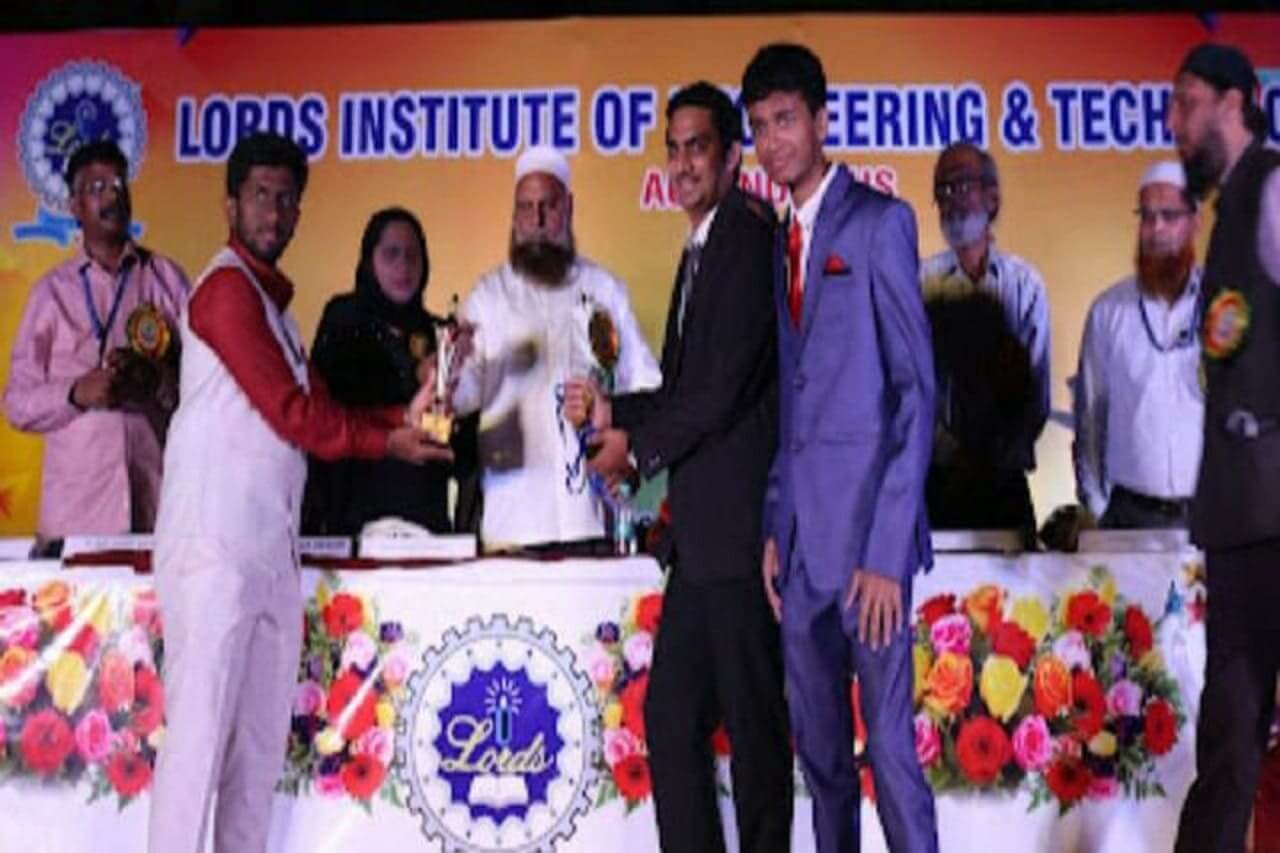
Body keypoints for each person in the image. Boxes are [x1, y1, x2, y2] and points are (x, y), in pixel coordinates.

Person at [148, 132, 448, 853]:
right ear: (231, 205)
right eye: (261, 196)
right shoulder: (226, 290)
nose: (275, 213)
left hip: (267, 550)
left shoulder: (277, 311)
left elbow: (325, 405)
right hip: (214, 548)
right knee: (196, 751)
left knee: (255, 758)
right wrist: (389, 440)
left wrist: (406, 417)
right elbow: (294, 414)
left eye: (287, 199)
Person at [572, 82, 793, 852]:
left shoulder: (745, 237)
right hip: (702, 543)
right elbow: (684, 390)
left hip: (740, 535)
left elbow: (722, 389)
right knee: (670, 716)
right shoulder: (703, 245)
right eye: (673, 148)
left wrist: (636, 448)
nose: (682, 163)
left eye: (698, 146)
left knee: (756, 735)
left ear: (733, 158)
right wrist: (614, 411)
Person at [744, 43, 938, 853]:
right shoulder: (780, 239)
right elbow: (794, 403)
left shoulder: (879, 222)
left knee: (889, 754)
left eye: (786, 119)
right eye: (760, 126)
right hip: (801, 552)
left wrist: (888, 553)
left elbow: (916, 393)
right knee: (821, 762)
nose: (773, 141)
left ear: (824, 121)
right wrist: (774, 523)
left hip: (869, 551)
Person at [1169, 42, 1280, 853]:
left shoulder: (1272, 190)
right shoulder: (1230, 211)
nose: (1175, 122)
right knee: (1230, 740)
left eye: (1187, 103)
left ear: (1235, 103)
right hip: (1242, 519)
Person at [448, 144, 660, 551]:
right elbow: (464, 395)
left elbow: (647, 387)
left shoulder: (604, 289)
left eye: (549, 205)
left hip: (592, 517)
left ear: (569, 208)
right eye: (526, 207)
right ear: (514, 216)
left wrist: (626, 454)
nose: (538, 220)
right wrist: (445, 376)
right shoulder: (488, 296)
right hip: (513, 524)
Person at [3, 140, 188, 551]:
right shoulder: (51, 294)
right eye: (97, 187)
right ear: (75, 206)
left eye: (119, 184)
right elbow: (16, 403)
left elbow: (206, 387)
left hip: (156, 516)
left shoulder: (165, 280)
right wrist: (75, 393)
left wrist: (157, 381)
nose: (112, 196)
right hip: (73, 523)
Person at [302, 206, 478, 535]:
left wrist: (462, 393)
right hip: (354, 518)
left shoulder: (441, 335)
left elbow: (456, 447)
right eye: (391, 254)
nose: (403, 266)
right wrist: (416, 378)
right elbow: (330, 412)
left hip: (424, 520)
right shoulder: (344, 318)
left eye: (413, 255)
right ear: (370, 261)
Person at [920, 142, 1050, 539]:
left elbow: (1036, 390)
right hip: (934, 481)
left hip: (1004, 480)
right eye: (942, 190)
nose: (951, 199)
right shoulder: (919, 282)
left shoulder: (1024, 283)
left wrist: (999, 453)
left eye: (962, 185)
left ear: (992, 197)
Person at [1073, 160, 1204, 530]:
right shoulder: (1108, 311)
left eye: (1169, 216)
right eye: (1147, 216)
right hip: (1129, 517)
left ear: (1194, 222)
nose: (1156, 229)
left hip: (1212, 514)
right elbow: (1090, 418)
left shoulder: (1222, 306)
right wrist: (1098, 507)